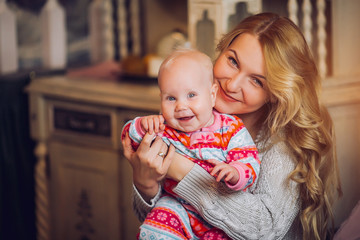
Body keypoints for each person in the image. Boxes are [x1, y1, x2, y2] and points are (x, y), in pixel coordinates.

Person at [122, 12, 342, 240]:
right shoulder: (188, 114)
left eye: (257, 81)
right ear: (221, 50)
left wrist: (180, 169)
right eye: (233, 61)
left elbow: (264, 228)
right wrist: (145, 184)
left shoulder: (282, 145)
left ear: (275, 94)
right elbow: (156, 220)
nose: (232, 84)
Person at [121, 49, 260, 239]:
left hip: (219, 219)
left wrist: (235, 173)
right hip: (177, 209)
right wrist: (141, 124)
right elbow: (131, 137)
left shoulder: (230, 128)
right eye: (171, 98)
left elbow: (250, 162)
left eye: (191, 95)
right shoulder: (164, 127)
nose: (181, 106)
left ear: (212, 95)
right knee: (158, 222)